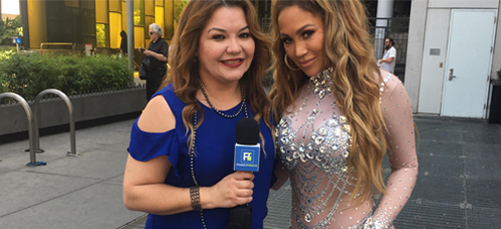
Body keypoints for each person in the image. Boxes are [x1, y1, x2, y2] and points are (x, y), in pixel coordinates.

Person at [123, 0, 276, 228]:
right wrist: (211, 195)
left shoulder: (262, 103)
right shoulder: (167, 107)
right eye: (219, 37)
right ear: (194, 45)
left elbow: (268, 177)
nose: (235, 48)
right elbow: (134, 193)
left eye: (244, 35)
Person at [269, 0, 418, 228]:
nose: (298, 51)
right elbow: (277, 178)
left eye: (307, 33)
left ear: (337, 24)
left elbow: (406, 166)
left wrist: (377, 224)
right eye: (287, 40)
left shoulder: (382, 88)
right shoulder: (288, 92)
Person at [139, 23, 169, 100]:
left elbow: (165, 58)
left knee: (157, 92)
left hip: (159, 73)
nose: (149, 35)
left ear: (157, 33)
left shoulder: (162, 43)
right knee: (149, 94)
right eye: (149, 33)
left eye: (151, 33)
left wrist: (151, 53)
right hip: (150, 72)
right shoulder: (151, 43)